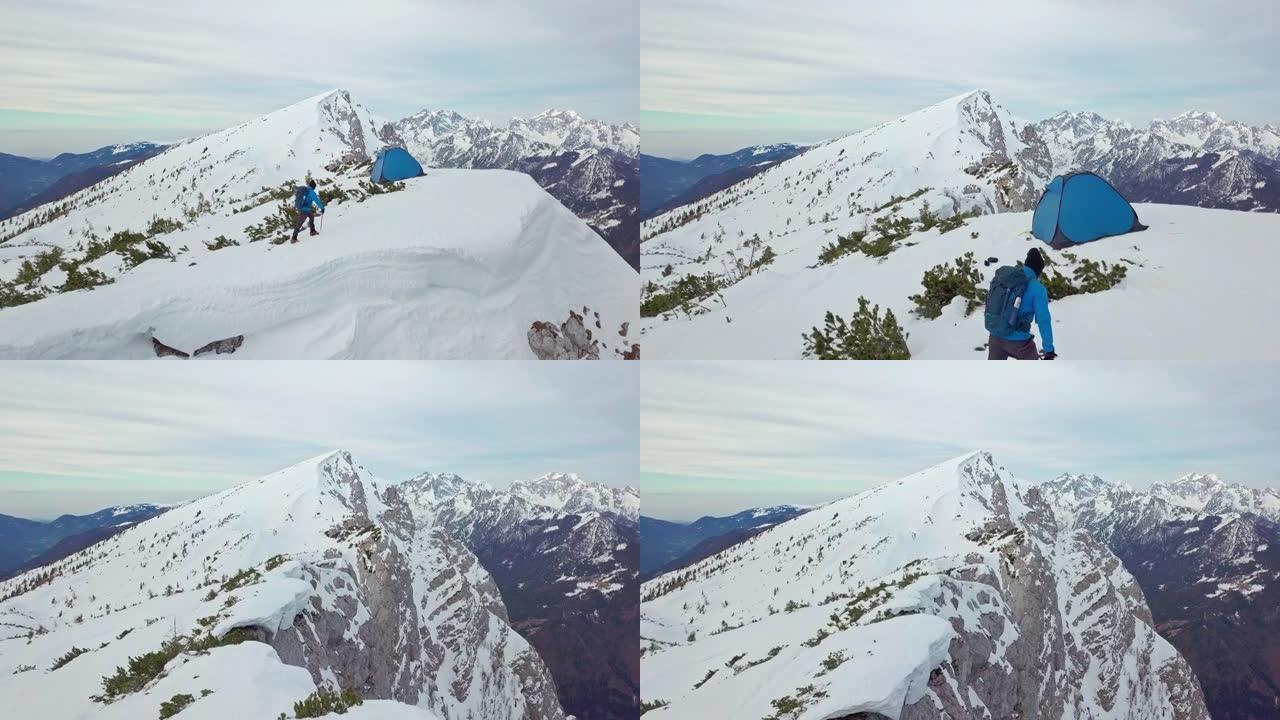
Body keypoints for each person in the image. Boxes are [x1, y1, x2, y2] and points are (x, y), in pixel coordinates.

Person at [985, 248, 1056, 360]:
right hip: (1019, 343)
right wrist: (1049, 350)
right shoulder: (1037, 288)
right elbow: (1043, 321)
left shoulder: (1008, 280)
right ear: (1038, 270)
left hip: (995, 337)